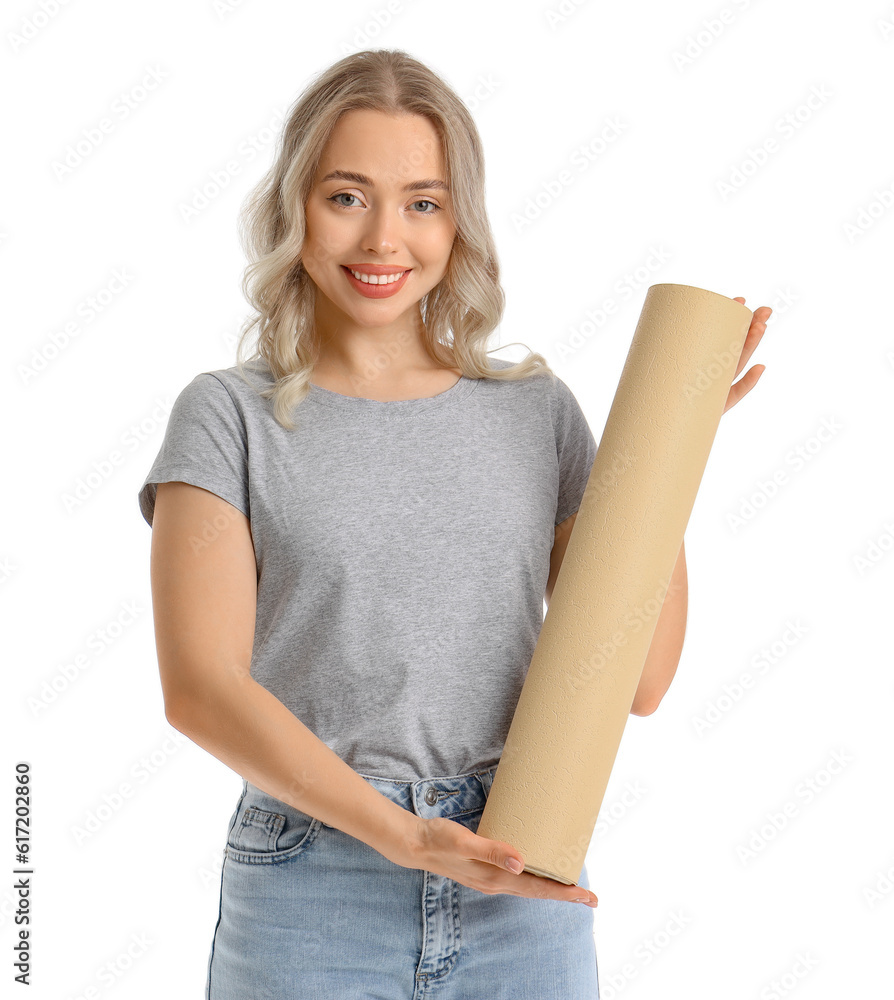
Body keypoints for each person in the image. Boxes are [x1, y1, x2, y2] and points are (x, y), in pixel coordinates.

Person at [137, 48, 768, 999]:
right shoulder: (229, 415)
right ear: (294, 208)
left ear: (458, 221)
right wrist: (404, 837)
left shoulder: (533, 410)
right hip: (318, 882)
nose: (385, 238)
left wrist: (664, 461)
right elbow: (201, 689)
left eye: (422, 202)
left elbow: (640, 681)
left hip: (522, 868)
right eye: (348, 195)